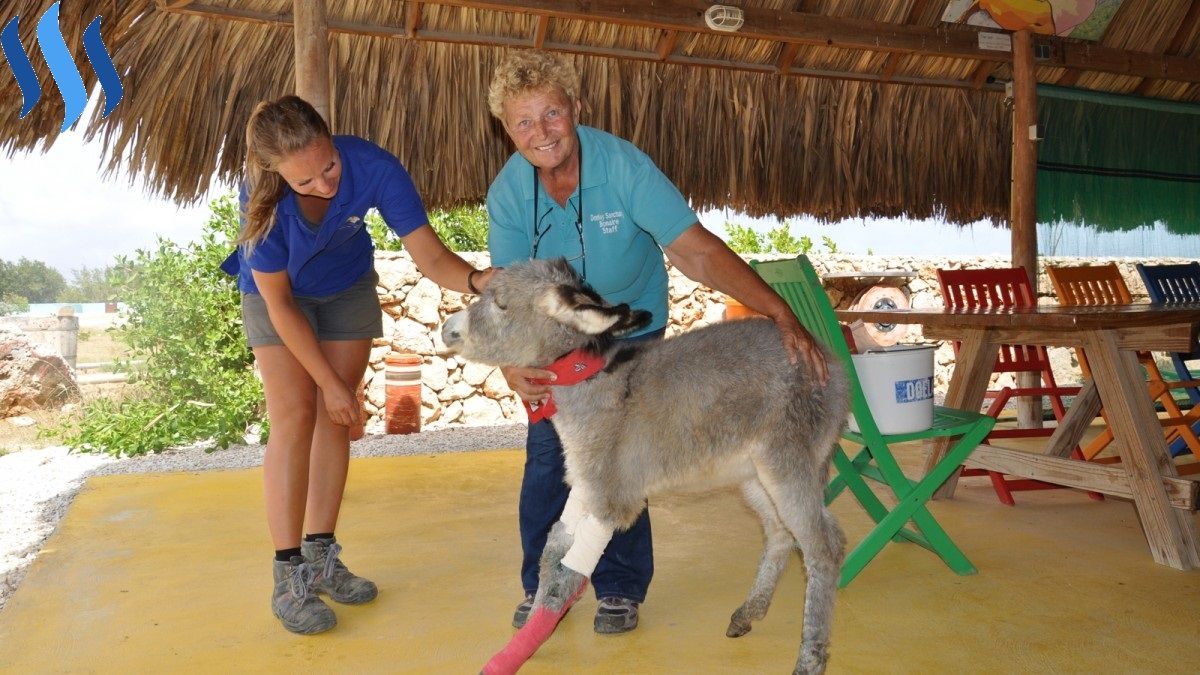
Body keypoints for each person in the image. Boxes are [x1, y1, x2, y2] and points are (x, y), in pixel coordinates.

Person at [484, 51, 827, 635]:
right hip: (558, 345)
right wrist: (515, 364)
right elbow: (512, 295)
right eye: (523, 121)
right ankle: (544, 587)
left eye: (552, 113)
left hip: (633, 330)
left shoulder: (623, 167)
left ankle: (619, 588)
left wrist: (778, 310)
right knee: (548, 456)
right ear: (507, 130)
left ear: (575, 110)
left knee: (628, 452)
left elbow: (695, 251)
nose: (540, 131)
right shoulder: (510, 193)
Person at [222, 95, 495, 635]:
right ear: (276, 174)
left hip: (345, 286)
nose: (324, 184)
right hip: (277, 298)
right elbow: (278, 304)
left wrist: (480, 281)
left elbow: (431, 256)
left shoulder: (373, 165)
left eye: (329, 166)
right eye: (305, 181)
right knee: (297, 414)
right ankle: (287, 572)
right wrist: (328, 383)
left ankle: (322, 554)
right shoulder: (261, 198)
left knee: (337, 421)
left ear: (331, 137)